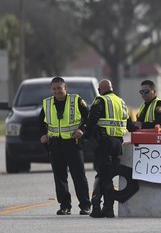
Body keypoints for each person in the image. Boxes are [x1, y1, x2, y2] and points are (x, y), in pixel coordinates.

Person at [39, 77, 92, 216]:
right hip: (55, 144)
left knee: (78, 176)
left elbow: (88, 118)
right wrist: (43, 135)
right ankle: (65, 206)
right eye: (54, 89)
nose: (57, 91)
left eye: (59, 88)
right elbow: (40, 122)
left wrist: (82, 130)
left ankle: (85, 205)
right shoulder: (47, 103)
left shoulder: (76, 100)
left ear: (65, 88)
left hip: (73, 144)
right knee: (60, 177)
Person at [85, 79, 129, 218]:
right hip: (118, 143)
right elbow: (129, 122)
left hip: (104, 143)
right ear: (112, 87)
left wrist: (86, 135)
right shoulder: (120, 101)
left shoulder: (100, 100)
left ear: (100, 89)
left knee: (104, 176)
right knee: (107, 174)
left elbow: (92, 119)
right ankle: (102, 207)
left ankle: (104, 207)